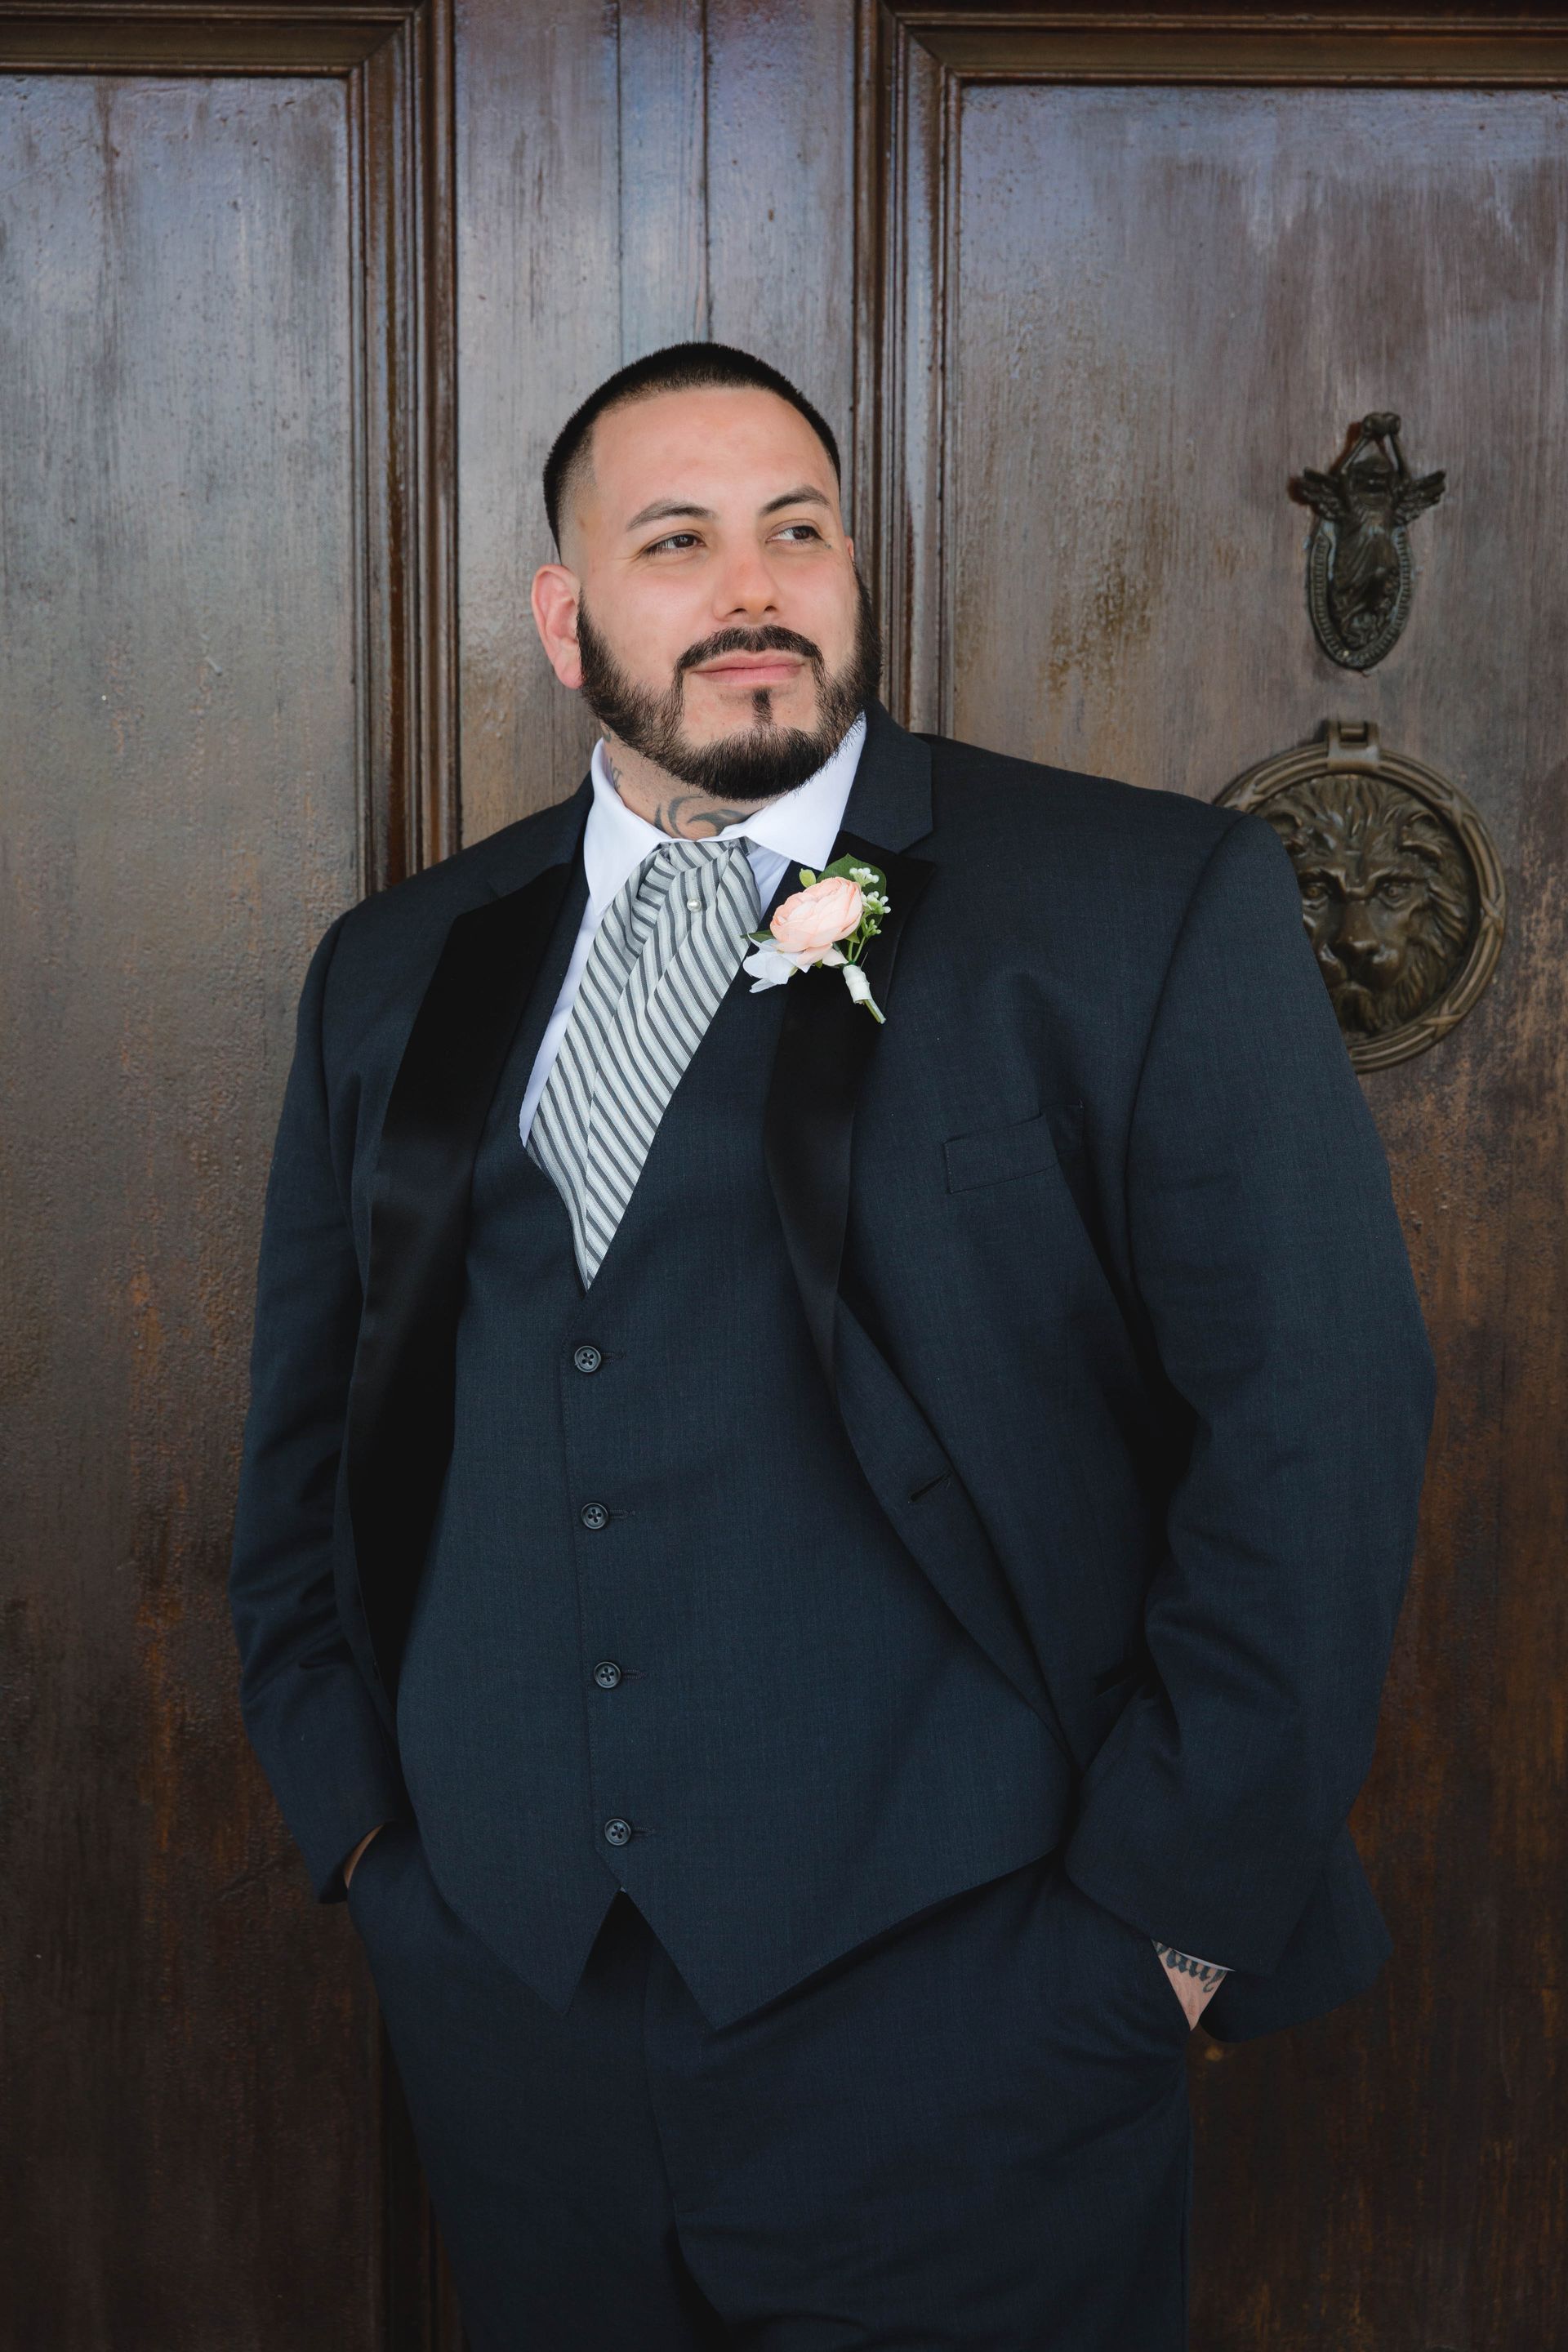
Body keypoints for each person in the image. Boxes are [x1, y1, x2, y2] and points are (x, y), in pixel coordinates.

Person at [229, 341, 1436, 2349]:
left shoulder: (1136, 907)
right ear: (565, 616)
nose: (757, 590)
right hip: (515, 2024)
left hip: (981, 2014)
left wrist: (1162, 1935)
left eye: (799, 531)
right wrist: (365, 1839)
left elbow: (1315, 1427)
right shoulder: (398, 971)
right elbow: (305, 1440)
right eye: (680, 542)